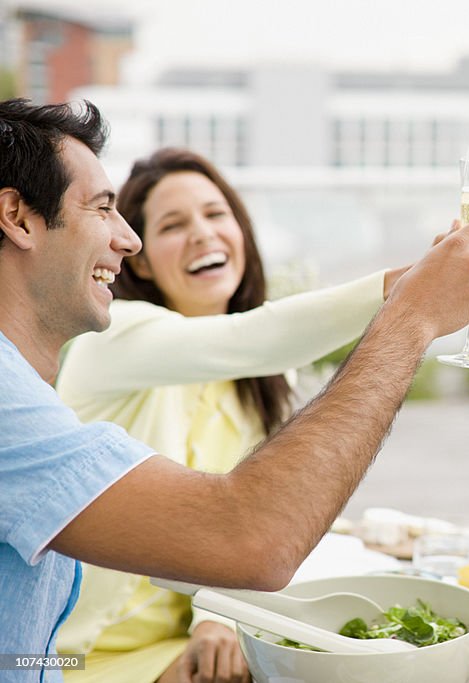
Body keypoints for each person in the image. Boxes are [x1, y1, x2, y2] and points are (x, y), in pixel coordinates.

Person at [0, 97, 469, 681]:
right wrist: (411, 300)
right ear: (17, 218)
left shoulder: (252, 386)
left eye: (216, 214)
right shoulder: (109, 346)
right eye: (103, 209)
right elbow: (250, 529)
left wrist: (210, 621)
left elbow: (222, 529)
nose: (130, 240)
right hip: (78, 661)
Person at [51, 148, 409, 683]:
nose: (202, 234)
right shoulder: (115, 336)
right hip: (60, 658)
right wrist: (410, 289)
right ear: (141, 260)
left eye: (215, 215)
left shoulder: (265, 383)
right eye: (174, 224)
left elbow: (251, 524)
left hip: (175, 651)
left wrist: (217, 617)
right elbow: (256, 337)